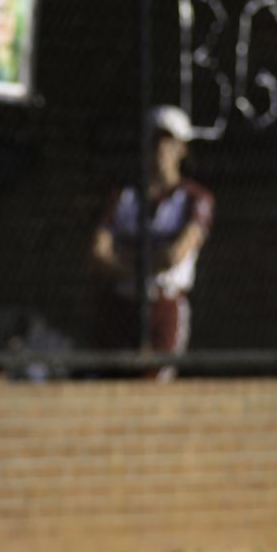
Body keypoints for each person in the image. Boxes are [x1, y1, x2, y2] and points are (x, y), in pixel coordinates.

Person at [91, 105, 215, 381]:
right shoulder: (121, 196)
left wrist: (123, 259)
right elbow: (97, 255)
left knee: (152, 389)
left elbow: (174, 255)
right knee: (109, 387)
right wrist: (147, 265)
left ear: (183, 148)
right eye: (154, 139)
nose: (161, 148)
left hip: (162, 305)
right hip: (118, 305)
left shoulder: (195, 198)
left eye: (170, 140)